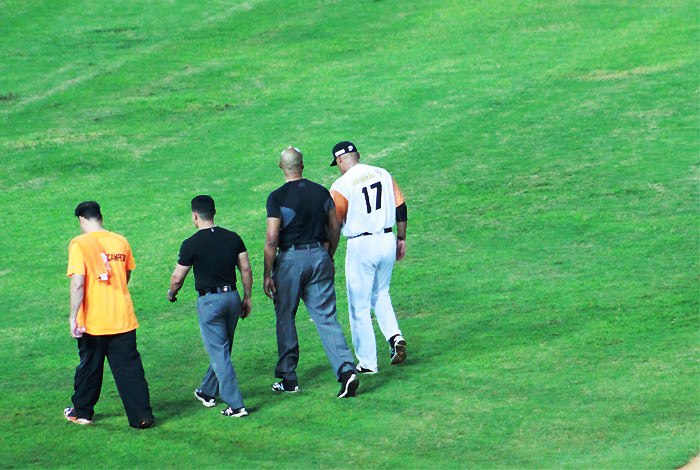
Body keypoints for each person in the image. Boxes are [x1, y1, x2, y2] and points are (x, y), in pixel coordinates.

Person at [263, 146, 359, 398]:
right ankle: (347, 370)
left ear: (281, 166)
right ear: (302, 165)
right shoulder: (321, 191)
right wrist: (329, 255)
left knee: (285, 317)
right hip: (319, 255)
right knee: (326, 317)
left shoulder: (277, 197)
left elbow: (272, 238)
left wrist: (266, 273)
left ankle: (288, 378)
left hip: (290, 261)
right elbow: (335, 226)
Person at [64, 201, 155, 429]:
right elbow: (126, 275)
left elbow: (77, 283)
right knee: (131, 371)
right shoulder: (120, 241)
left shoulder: (80, 244)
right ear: (100, 218)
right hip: (122, 318)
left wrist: (73, 316)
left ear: (82, 220)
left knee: (89, 368)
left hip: (93, 322)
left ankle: (82, 413)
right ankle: (141, 416)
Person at [168, 195, 253, 418]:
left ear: (195, 216)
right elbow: (245, 269)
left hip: (210, 303)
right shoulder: (233, 238)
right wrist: (247, 298)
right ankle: (207, 390)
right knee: (222, 350)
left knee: (220, 353)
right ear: (213, 212)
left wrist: (171, 293)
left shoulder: (191, 243)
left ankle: (236, 405)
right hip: (232, 298)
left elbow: (178, 278)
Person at [329, 141, 408, 375]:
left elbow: (335, 223)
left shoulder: (341, 185)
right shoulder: (382, 173)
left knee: (359, 307)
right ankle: (395, 337)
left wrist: (329, 255)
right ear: (358, 155)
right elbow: (400, 206)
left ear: (340, 160)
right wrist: (401, 238)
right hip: (387, 239)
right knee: (381, 293)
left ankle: (367, 363)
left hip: (361, 245)